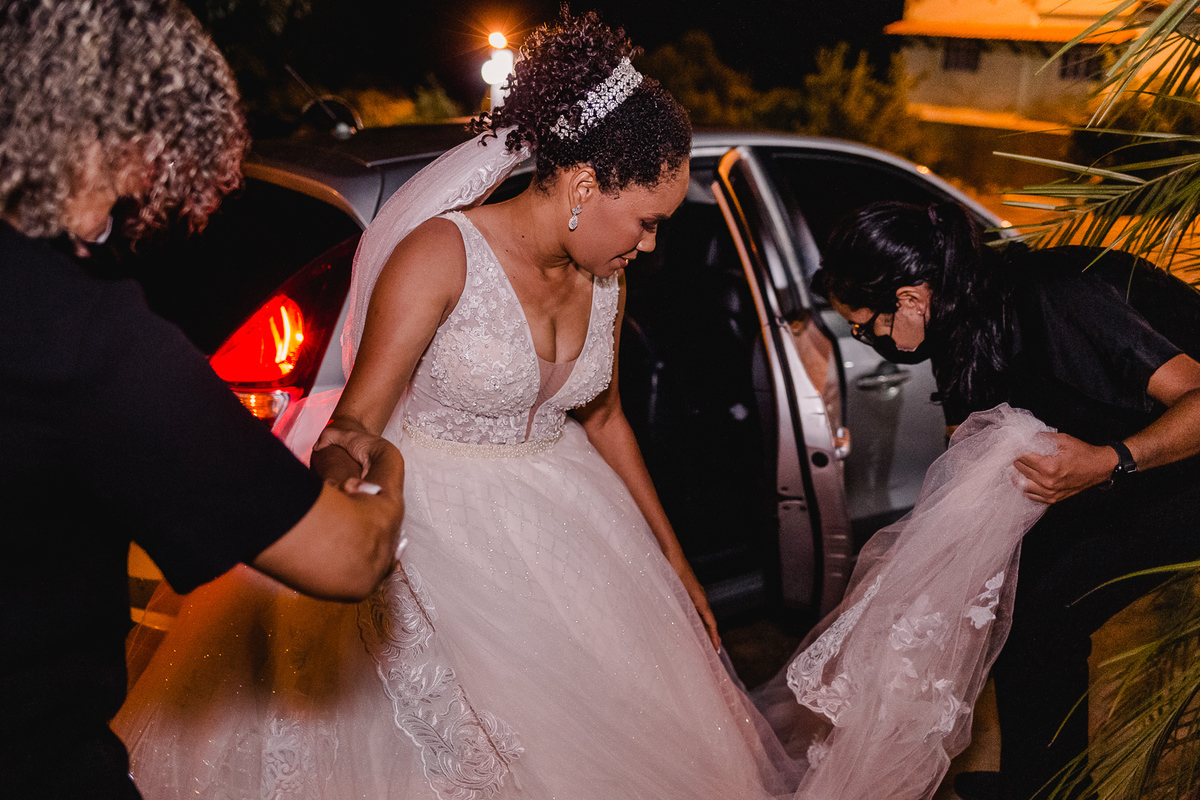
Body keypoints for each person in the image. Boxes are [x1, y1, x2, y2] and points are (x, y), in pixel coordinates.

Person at [114, 12, 804, 799]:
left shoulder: (605, 279)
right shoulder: (441, 255)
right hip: (439, 540)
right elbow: (354, 422)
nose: (650, 246)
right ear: (583, 186)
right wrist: (346, 487)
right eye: (648, 222)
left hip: (572, 532)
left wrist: (677, 566)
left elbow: (606, 418)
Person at [0, 2, 405, 797]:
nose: (147, 193)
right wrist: (379, 469)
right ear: (122, 128)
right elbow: (348, 556)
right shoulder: (90, 342)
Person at [810, 200, 1200, 800]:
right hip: (1119, 462)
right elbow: (971, 447)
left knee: (1049, 604)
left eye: (868, 325)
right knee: (1019, 604)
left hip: (1176, 458)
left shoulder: (1056, 296)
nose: (869, 339)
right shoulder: (961, 325)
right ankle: (1039, 781)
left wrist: (1107, 461)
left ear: (911, 296)